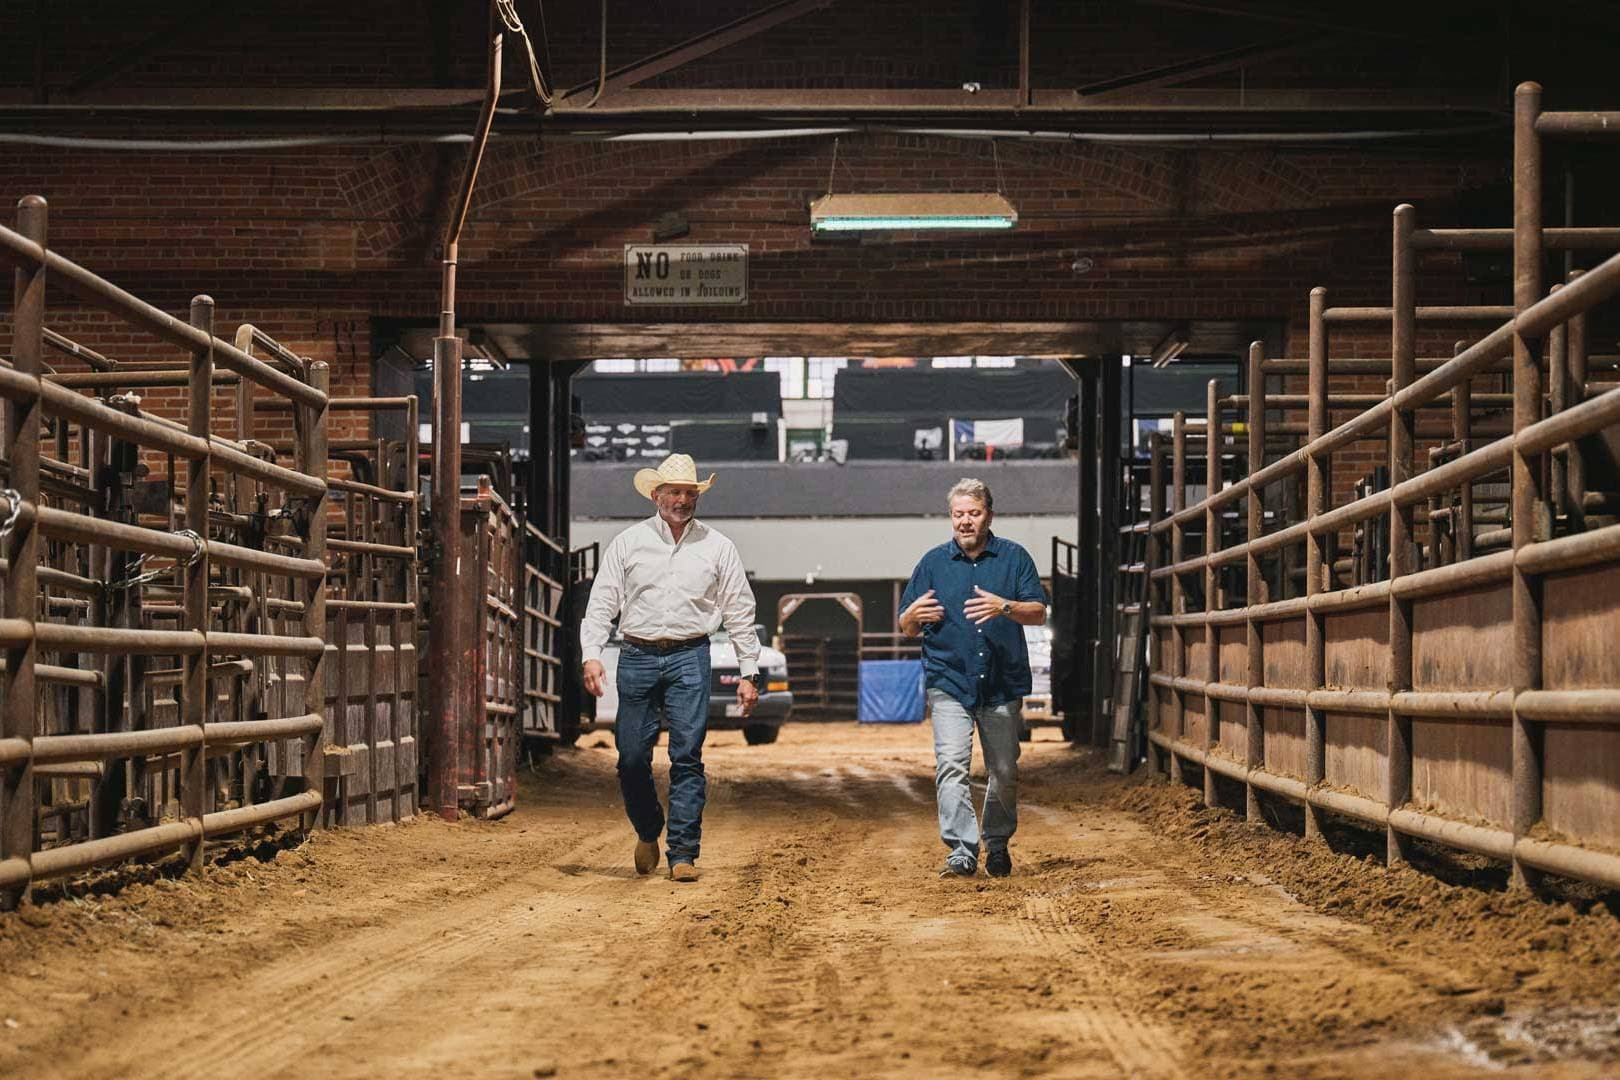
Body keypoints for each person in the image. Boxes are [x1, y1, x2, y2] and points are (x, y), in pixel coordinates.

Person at [580, 453, 760, 883]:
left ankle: (683, 853)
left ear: (697, 496)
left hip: (690, 656)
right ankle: (648, 830)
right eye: (674, 492)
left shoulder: (718, 547)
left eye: (689, 492)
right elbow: (602, 601)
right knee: (631, 758)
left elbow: (739, 609)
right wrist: (591, 653)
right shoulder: (628, 543)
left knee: (687, 756)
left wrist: (748, 671)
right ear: (656, 496)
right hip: (637, 655)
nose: (682, 499)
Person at [897, 478, 1047, 879]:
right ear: (951, 517)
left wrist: (1005, 606)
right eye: (958, 514)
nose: (965, 521)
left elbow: (1038, 612)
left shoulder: (1014, 558)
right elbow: (906, 626)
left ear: (989, 516)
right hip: (949, 680)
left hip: (1000, 683)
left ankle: (997, 843)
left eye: (974, 513)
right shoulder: (932, 564)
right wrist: (911, 617)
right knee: (951, 766)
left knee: (1004, 770)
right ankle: (962, 850)